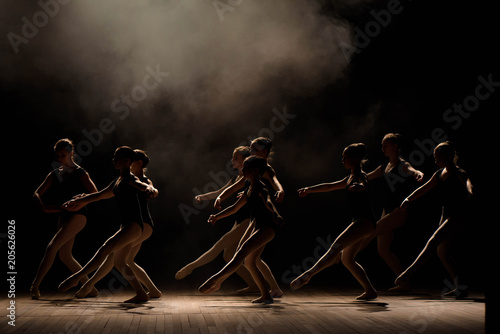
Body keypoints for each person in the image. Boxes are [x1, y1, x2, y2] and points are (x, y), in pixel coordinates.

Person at [59, 146, 156, 303]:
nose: (113, 160)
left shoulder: (131, 179)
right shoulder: (118, 181)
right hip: (128, 226)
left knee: (105, 249)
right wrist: (79, 201)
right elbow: (98, 196)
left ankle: (76, 278)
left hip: (134, 226)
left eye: (116, 157)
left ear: (126, 161)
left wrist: (150, 188)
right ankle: (141, 293)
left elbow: (144, 186)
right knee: (119, 262)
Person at [290, 143, 378, 300]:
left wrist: (359, 186)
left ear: (356, 158)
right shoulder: (349, 177)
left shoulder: (360, 176)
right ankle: (370, 291)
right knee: (347, 259)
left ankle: (307, 275)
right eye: (343, 157)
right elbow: (329, 186)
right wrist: (310, 189)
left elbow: (363, 183)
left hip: (364, 222)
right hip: (361, 222)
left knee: (335, 248)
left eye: (346, 157)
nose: (343, 160)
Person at [175, 146, 263, 294]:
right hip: (240, 219)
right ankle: (254, 285)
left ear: (245, 160)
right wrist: (203, 197)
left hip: (249, 219)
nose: (232, 160)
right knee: (228, 255)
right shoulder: (237, 178)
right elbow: (220, 192)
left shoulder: (251, 178)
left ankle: (192, 267)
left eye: (235, 158)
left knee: (220, 244)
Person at [199, 156, 284, 304]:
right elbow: (235, 207)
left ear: (256, 171)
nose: (243, 170)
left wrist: (276, 214)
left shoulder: (260, 187)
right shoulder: (248, 186)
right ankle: (266, 295)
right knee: (250, 262)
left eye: (246, 167)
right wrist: (217, 217)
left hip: (266, 227)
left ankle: (214, 280)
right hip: (258, 226)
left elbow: (268, 202)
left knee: (239, 255)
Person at [394, 141, 473, 298]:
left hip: (458, 215)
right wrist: (409, 199)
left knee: (433, 241)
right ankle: (461, 288)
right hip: (446, 215)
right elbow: (424, 188)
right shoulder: (439, 173)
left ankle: (407, 274)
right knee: (442, 252)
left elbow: (469, 184)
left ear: (449, 157)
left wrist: (470, 192)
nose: (436, 161)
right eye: (435, 158)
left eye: (439, 158)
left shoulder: (459, 173)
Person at [31, 138, 99, 300]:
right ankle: (91, 288)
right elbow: (36, 193)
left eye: (63, 154)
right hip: (63, 215)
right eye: (57, 155)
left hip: (79, 215)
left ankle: (34, 286)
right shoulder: (55, 174)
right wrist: (44, 208)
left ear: (71, 153)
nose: (60, 158)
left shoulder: (80, 172)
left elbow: (95, 193)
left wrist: (81, 200)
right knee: (65, 256)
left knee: (51, 247)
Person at [362, 133, 423, 289]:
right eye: (382, 145)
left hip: (398, 211)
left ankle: (344, 257)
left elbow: (411, 169)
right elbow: (366, 178)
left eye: (386, 145)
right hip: (386, 211)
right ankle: (405, 282)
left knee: (369, 235)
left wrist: (417, 173)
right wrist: (353, 183)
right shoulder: (384, 167)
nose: (382, 148)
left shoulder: (402, 164)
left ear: (395, 146)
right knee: (383, 250)